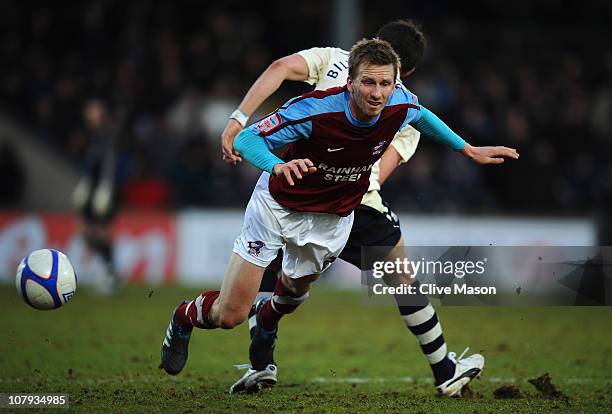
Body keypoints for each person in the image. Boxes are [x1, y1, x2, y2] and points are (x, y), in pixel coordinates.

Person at [160, 39, 518, 398]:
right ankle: (183, 317)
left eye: (385, 84)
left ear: (396, 84)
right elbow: (248, 140)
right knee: (229, 315)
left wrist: (466, 148)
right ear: (349, 83)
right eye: (367, 83)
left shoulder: (401, 104)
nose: (377, 93)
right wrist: (278, 165)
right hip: (278, 209)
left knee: (292, 297)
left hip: (333, 219)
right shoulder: (313, 112)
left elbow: (423, 117)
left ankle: (264, 327)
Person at [223, 20, 483, 397]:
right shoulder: (400, 101)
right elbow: (379, 171)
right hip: (350, 204)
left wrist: (238, 119)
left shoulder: (333, 59)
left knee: (274, 276)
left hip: (295, 188)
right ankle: (444, 370)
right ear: (406, 70)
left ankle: (261, 363)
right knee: (401, 278)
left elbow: (279, 69)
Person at [72, 99, 121, 294]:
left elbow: (110, 162)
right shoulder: (91, 137)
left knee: (100, 232)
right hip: (92, 189)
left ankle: (110, 276)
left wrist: (106, 186)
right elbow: (90, 165)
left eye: (94, 111)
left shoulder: (107, 135)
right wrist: (85, 183)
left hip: (103, 190)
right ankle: (107, 270)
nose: (90, 115)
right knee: (86, 232)